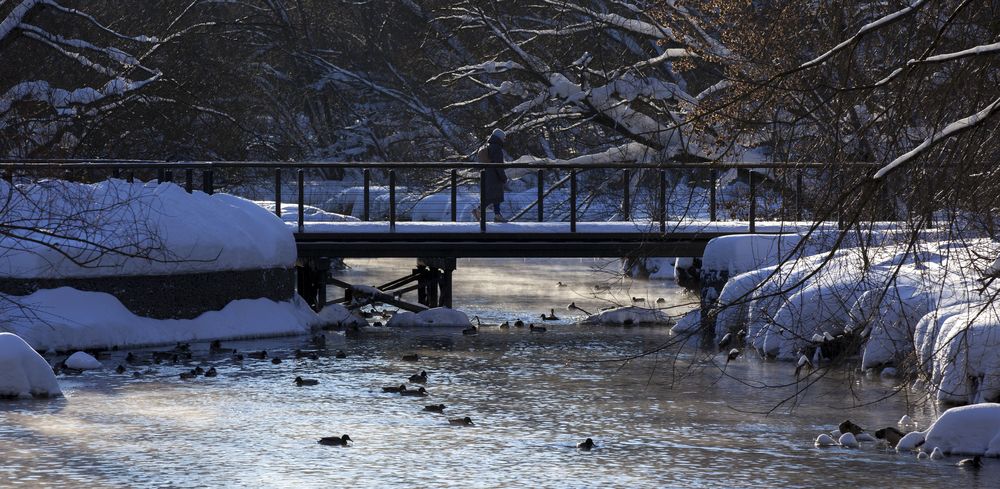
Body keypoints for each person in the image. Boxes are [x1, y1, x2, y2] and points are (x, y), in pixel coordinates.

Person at [473, 128, 509, 222]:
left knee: (494, 197)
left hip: (487, 175)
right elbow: (498, 165)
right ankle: (479, 210)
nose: (504, 140)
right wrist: (503, 177)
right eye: (503, 138)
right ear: (499, 138)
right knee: (493, 197)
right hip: (494, 176)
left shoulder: (488, 146)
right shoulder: (497, 149)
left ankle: (497, 215)